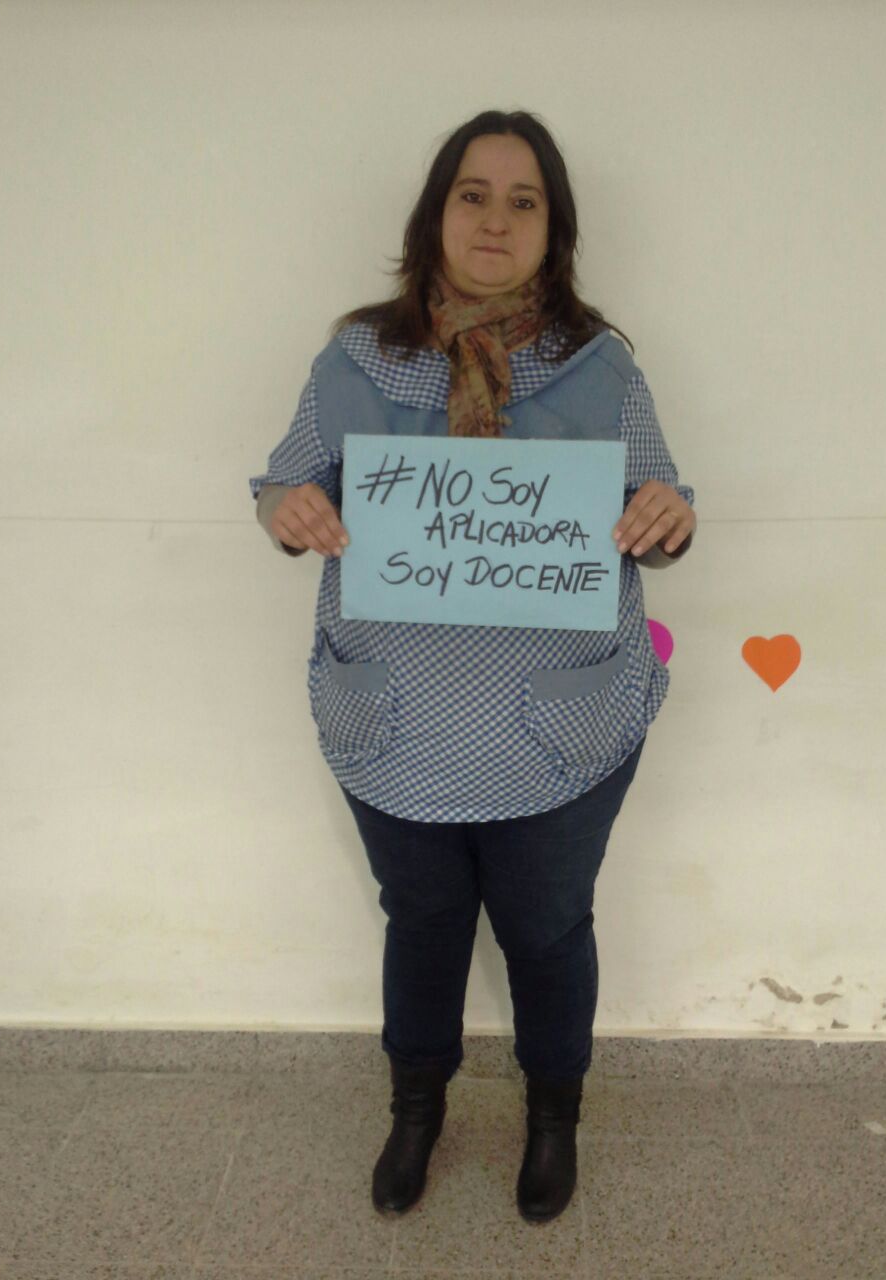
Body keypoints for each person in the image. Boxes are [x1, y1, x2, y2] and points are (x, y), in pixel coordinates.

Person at [248, 109, 696, 1225]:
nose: (496, 219)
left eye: (523, 200)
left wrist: (667, 515)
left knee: (549, 930)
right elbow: (283, 481)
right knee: (422, 923)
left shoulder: (600, 368)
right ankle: (416, 1108)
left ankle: (554, 1115)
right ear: (435, 213)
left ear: (555, 229)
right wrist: (288, 509)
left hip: (561, 729)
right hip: (395, 723)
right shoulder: (357, 357)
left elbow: (661, 514)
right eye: (474, 194)